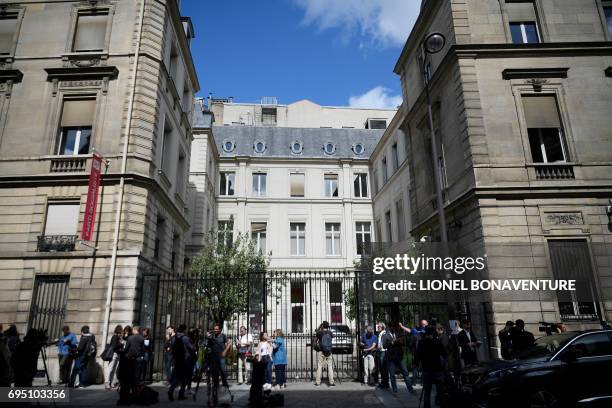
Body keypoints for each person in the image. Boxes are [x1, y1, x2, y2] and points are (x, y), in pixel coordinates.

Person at [416, 326, 447, 408]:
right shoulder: (437, 341)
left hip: (426, 369)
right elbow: (444, 354)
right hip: (437, 368)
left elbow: (417, 357)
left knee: (427, 392)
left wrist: (417, 365)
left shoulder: (421, 343)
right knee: (440, 391)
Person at [386, 323, 416, 395]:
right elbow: (384, 345)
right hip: (391, 358)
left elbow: (403, 342)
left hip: (400, 357)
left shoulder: (399, 334)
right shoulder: (385, 335)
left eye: (394, 327)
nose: (393, 328)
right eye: (392, 327)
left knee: (405, 373)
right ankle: (395, 390)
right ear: (389, 327)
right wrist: (392, 342)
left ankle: (410, 389)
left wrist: (400, 340)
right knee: (392, 375)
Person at [168, 324, 195, 401]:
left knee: (176, 377)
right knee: (184, 378)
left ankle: (171, 390)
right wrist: (194, 345)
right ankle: (181, 394)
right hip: (185, 360)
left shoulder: (174, 337)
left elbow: (172, 347)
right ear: (184, 330)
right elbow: (191, 348)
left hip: (177, 360)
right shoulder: (185, 338)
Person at [400, 319, 428, 386]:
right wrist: (402, 327)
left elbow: (409, 330)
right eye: (423, 324)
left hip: (420, 351)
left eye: (424, 324)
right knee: (420, 366)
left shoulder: (419, 330)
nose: (424, 325)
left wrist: (402, 326)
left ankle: (416, 381)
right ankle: (420, 381)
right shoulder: (424, 330)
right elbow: (409, 330)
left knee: (418, 366)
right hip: (420, 351)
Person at [314, 321, 335, 387]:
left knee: (319, 366)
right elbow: (331, 338)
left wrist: (320, 327)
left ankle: (318, 382)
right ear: (328, 326)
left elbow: (315, 340)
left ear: (322, 326)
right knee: (330, 367)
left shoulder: (320, 333)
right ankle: (331, 382)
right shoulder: (330, 333)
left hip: (321, 351)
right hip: (329, 351)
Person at [210, 323, 230, 388]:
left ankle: (224, 383)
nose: (215, 330)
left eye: (217, 329)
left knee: (222, 370)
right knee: (215, 371)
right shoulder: (212, 336)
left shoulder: (223, 336)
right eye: (214, 329)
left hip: (221, 356)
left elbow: (228, 344)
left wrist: (225, 351)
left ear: (220, 330)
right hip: (214, 356)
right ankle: (216, 384)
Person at [104, 325, 122, 390]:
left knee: (113, 369)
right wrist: (121, 344)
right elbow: (114, 346)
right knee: (110, 368)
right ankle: (107, 383)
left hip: (117, 354)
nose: (121, 333)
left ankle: (110, 383)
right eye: (121, 331)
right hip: (114, 354)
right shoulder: (115, 337)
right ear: (119, 331)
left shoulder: (117, 337)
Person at [376, 322, 390, 389]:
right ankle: (384, 383)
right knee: (382, 369)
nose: (377, 328)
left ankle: (385, 384)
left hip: (384, 352)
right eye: (377, 326)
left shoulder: (384, 333)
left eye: (379, 327)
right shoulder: (380, 334)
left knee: (384, 369)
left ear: (382, 327)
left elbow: (384, 345)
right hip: (381, 352)